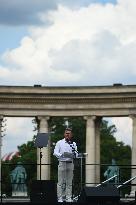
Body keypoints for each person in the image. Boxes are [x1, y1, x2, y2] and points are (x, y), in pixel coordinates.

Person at [53, 128, 78, 202]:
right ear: (64, 134)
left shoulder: (73, 144)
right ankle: (60, 198)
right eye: (66, 133)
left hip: (70, 163)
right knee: (60, 182)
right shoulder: (59, 142)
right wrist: (62, 155)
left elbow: (76, 153)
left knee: (69, 182)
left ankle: (68, 198)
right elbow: (55, 152)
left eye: (69, 133)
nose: (67, 134)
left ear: (71, 135)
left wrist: (74, 154)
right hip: (62, 163)